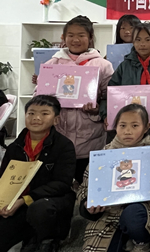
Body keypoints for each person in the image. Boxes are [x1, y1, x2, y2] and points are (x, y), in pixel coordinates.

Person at [78, 104, 150, 252]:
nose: (127, 131)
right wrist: (88, 205)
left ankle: (141, 242)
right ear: (115, 127)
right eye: (122, 125)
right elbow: (86, 187)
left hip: (142, 213)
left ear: (146, 127)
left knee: (134, 216)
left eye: (135, 126)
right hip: (109, 214)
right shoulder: (104, 155)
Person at [41, 15, 114, 184]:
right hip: (60, 134)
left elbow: (110, 97)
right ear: (63, 37)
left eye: (81, 35)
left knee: (89, 185)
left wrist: (98, 109)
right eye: (71, 35)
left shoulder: (103, 65)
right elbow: (39, 97)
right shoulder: (53, 64)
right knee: (60, 184)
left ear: (90, 37)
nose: (75, 40)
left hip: (91, 137)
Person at [0, 95, 76, 252]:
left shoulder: (64, 146)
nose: (36, 118)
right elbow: (4, 179)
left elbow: (62, 183)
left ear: (56, 119)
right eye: (31, 113)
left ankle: (48, 239)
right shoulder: (15, 147)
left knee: (40, 209)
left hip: (50, 201)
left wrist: (25, 200)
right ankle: (29, 236)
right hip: (18, 202)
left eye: (44, 113)